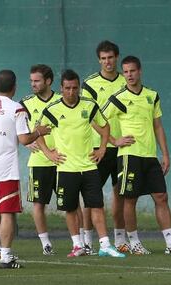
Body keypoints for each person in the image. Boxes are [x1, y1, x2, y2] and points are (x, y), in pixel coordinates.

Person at [103, 56, 171, 255]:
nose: (129, 75)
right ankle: (134, 243)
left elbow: (158, 126)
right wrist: (114, 141)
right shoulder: (118, 97)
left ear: (140, 71)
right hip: (129, 156)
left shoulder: (152, 95)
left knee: (161, 196)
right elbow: (96, 119)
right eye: (125, 72)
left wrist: (166, 155)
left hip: (150, 156)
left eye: (132, 71)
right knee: (130, 199)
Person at [39, 69, 125, 258]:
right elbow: (39, 132)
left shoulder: (89, 105)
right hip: (66, 168)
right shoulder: (52, 110)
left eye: (75, 88)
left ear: (79, 88)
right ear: (61, 88)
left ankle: (105, 245)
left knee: (96, 206)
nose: (71, 92)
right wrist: (48, 153)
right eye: (67, 88)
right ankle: (77, 245)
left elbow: (105, 127)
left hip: (88, 166)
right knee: (70, 208)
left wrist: (102, 148)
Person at [0, 70, 51, 269]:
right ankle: (6, 257)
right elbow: (25, 140)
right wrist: (38, 132)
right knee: (7, 213)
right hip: (6, 171)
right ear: (14, 87)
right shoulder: (17, 109)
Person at [81, 40, 128, 253]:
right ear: (98, 60)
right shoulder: (89, 84)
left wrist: (119, 142)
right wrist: (110, 140)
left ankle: (120, 239)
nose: (107, 62)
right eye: (103, 58)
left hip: (124, 148)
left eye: (110, 57)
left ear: (116, 57)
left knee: (120, 194)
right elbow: (89, 117)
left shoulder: (127, 80)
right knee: (91, 196)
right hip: (96, 148)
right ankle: (87, 240)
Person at [19, 64, 61, 255]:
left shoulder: (63, 101)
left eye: (37, 81)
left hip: (63, 160)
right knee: (38, 204)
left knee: (72, 204)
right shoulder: (25, 104)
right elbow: (15, 130)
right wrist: (26, 143)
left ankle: (82, 242)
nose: (33, 84)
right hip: (38, 163)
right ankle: (46, 244)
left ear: (48, 81)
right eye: (31, 81)